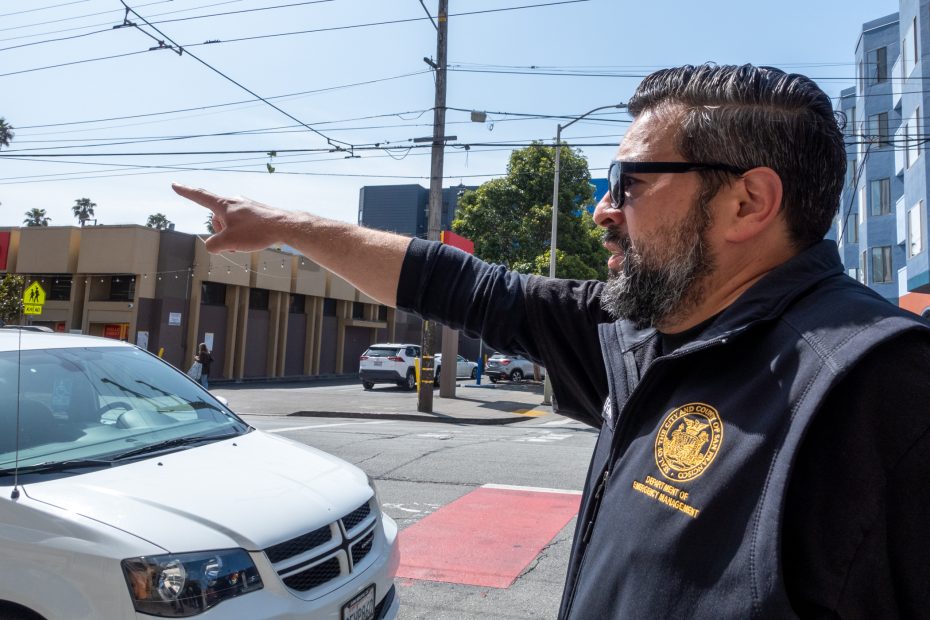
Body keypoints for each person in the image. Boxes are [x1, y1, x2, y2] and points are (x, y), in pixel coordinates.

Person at [172, 63, 930, 619]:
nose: (604, 210)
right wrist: (283, 227)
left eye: (629, 183)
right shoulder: (638, 334)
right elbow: (462, 286)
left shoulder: (880, 389)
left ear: (748, 201)